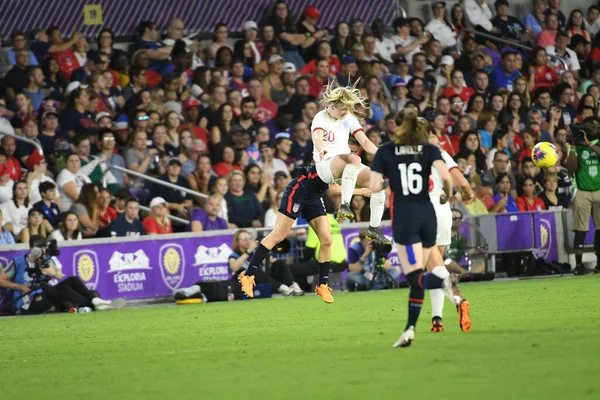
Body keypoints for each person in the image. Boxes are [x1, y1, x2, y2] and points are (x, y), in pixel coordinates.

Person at [368, 109, 455, 348]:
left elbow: (374, 185)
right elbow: (447, 177)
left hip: (405, 217)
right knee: (418, 278)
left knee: (415, 276)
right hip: (428, 214)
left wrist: (390, 181)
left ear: (397, 127)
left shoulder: (385, 150)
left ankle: (443, 282)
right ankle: (409, 330)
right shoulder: (429, 149)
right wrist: (447, 195)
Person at [237, 164, 335, 303]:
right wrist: (364, 190)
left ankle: (322, 285)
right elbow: (335, 190)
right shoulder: (336, 158)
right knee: (278, 235)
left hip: (315, 196)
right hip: (299, 190)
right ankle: (248, 275)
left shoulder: (350, 161)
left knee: (327, 240)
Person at [310, 80, 389, 245]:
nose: (346, 112)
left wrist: (384, 155)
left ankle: (373, 229)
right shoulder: (320, 117)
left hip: (347, 166)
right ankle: (345, 206)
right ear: (333, 105)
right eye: (343, 109)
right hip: (325, 165)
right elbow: (317, 137)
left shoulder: (348, 118)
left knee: (378, 183)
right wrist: (321, 148)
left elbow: (366, 143)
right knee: (354, 158)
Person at [0, 236, 124, 314]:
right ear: (30, 247)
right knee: (56, 289)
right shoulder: (18, 261)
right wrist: (21, 287)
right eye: (38, 247)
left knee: (72, 281)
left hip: (46, 294)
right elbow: (1, 280)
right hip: (27, 302)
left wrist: (52, 272)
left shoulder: (46, 260)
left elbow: (59, 276)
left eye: (43, 247)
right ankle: (94, 302)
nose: (41, 250)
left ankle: (95, 301)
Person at [425, 134, 474, 333]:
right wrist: (468, 194)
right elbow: (459, 179)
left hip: (422, 212)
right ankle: (437, 319)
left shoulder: (406, 154)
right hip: (443, 211)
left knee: (434, 266)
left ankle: (458, 299)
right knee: (435, 267)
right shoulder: (442, 154)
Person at [565, 126, 600, 275]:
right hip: (583, 190)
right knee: (580, 228)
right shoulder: (576, 147)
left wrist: (589, 145)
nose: (586, 132)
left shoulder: (598, 142)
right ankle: (578, 265)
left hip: (599, 189)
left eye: (589, 128)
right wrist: (573, 146)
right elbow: (571, 168)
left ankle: (599, 264)